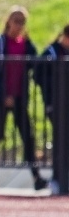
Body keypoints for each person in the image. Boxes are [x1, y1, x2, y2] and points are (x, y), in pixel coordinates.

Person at [0, 6, 47, 190]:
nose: (19, 25)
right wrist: (3, 95)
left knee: (28, 137)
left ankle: (36, 177)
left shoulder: (25, 43)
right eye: (16, 20)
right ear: (8, 21)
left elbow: (36, 62)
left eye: (22, 21)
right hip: (3, 98)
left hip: (19, 98)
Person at [34, 24, 69, 194]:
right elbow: (38, 75)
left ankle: (64, 178)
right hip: (55, 104)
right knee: (61, 141)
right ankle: (57, 179)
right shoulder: (51, 52)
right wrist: (53, 91)